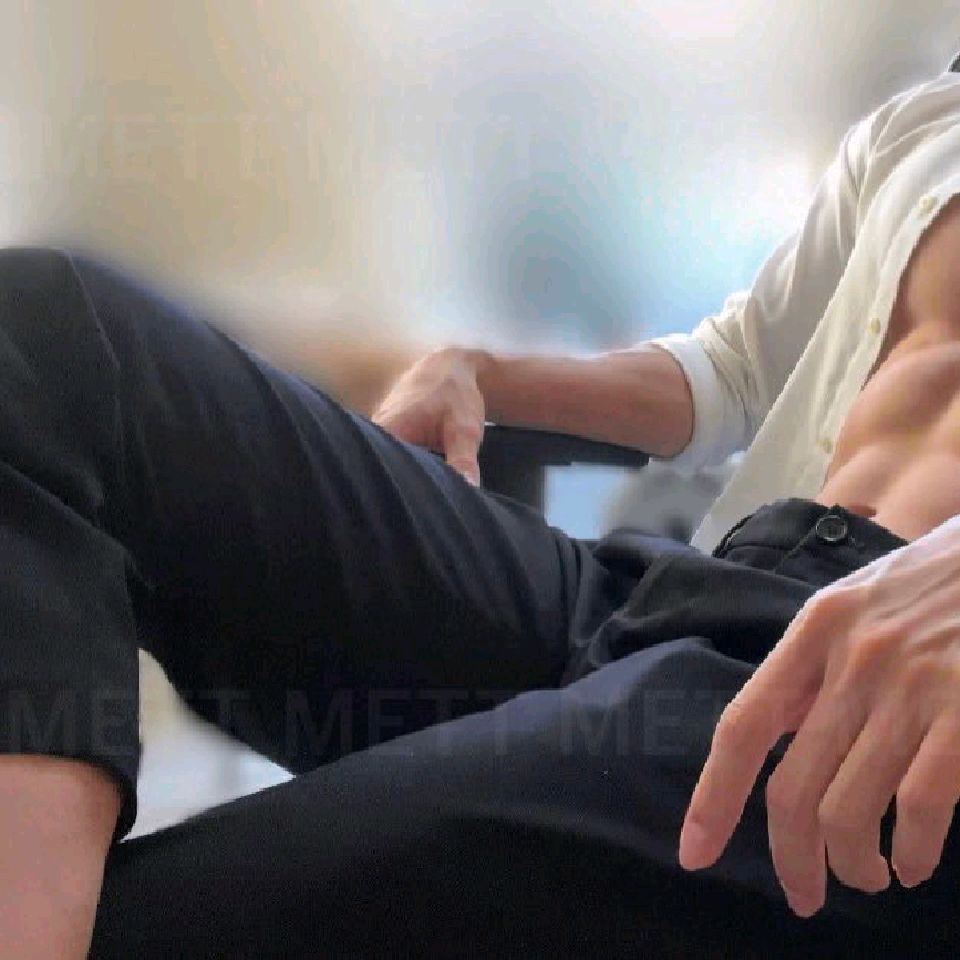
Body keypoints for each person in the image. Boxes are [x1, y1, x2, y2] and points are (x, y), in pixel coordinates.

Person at [5, 68, 960, 958]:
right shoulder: (921, 122)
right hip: (697, 595)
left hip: (877, 718)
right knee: (48, 338)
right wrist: (481, 373)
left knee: (162, 920)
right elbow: (737, 368)